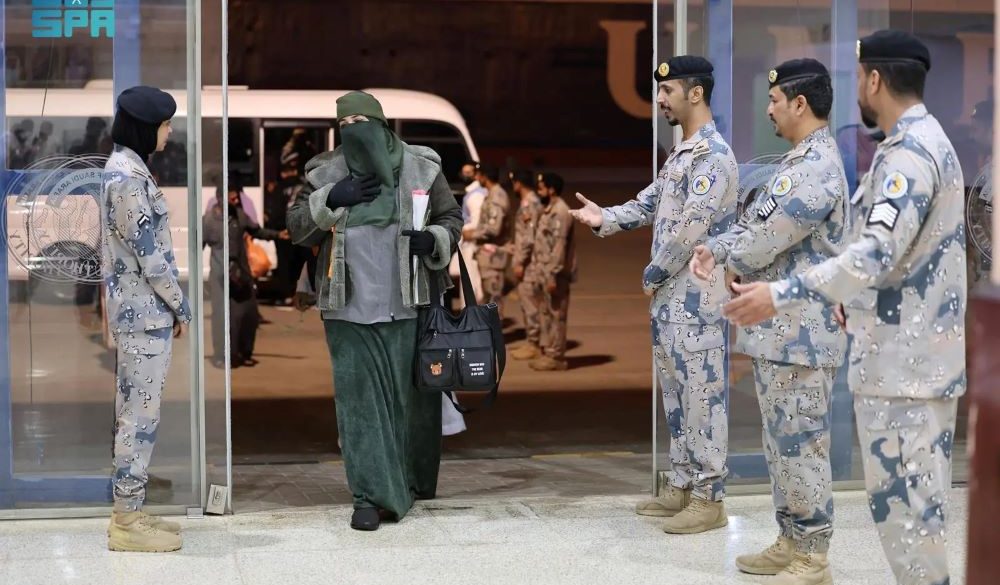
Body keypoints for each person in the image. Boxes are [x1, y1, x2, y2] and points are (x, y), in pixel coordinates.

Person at [723, 31, 966, 585]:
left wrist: (779, 294)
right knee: (907, 524)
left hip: (905, 369)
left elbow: (874, 253)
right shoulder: (916, 145)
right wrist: (851, 300)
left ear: (874, 79)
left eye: (858, 76)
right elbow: (898, 256)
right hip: (905, 362)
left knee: (910, 526)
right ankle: (794, 539)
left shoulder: (909, 155)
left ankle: (809, 549)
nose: (855, 87)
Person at [691, 59, 847, 584]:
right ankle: (791, 537)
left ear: (800, 103)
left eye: (775, 101)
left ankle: (813, 553)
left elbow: (762, 240)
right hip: (780, 334)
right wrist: (719, 248)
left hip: (802, 335)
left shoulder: (815, 169)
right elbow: (757, 223)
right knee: (782, 445)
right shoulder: (797, 163)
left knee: (802, 444)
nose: (769, 110)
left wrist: (720, 251)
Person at [570, 56, 738, 534]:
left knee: (703, 398)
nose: (660, 99)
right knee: (677, 396)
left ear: (696, 93)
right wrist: (606, 217)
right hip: (671, 302)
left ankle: (709, 497)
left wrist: (654, 271)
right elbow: (651, 201)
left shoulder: (711, 156)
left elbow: (690, 229)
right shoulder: (682, 153)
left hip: (697, 301)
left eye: (668, 90)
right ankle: (682, 484)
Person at [287, 91, 462, 531]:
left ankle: (408, 482)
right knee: (359, 407)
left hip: (410, 304)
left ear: (382, 124)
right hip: (346, 307)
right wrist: (331, 198)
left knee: (408, 405)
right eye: (345, 125)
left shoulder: (422, 166)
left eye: (362, 121)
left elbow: (452, 218)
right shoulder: (324, 171)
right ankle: (368, 497)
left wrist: (435, 239)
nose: (354, 131)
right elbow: (296, 229)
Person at [102, 86, 191, 552]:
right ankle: (126, 521)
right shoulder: (127, 178)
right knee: (139, 419)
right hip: (144, 316)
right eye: (165, 124)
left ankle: (131, 511)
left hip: (142, 314)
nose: (169, 132)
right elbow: (151, 259)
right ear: (145, 127)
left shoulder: (129, 170)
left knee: (137, 415)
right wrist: (181, 305)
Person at [204, 180, 288, 368]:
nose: (236, 200)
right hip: (220, 276)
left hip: (241, 273)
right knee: (221, 317)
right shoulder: (208, 221)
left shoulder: (240, 216)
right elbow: (196, 247)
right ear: (220, 198)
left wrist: (278, 235)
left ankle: (245, 352)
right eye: (232, 197)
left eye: (236, 197)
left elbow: (257, 231)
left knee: (248, 313)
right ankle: (222, 355)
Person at [526, 172, 576, 372]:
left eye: (541, 188)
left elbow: (558, 248)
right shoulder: (548, 210)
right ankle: (549, 351)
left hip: (555, 275)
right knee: (547, 314)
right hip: (544, 272)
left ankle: (556, 356)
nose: (538, 192)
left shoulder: (560, 212)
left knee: (556, 316)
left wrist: (553, 275)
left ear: (551, 189)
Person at [464, 163, 511, 313]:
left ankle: (495, 328)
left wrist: (472, 234)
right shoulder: (491, 194)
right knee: (488, 298)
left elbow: (494, 228)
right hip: (488, 256)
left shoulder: (496, 196)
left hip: (494, 257)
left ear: (485, 176)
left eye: (479, 175)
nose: (477, 178)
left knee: (493, 300)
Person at [508, 169, 544, 360]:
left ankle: (534, 344)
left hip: (530, 264)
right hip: (527, 260)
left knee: (530, 303)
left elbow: (529, 238)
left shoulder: (530, 203)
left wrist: (520, 261)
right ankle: (531, 341)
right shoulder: (529, 202)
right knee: (525, 302)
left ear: (519, 183)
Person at [450, 161, 486, 307]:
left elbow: (476, 224)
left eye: (468, 173)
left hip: (472, 244)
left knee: (471, 283)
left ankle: (470, 314)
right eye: (463, 173)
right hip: (467, 243)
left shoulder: (476, 195)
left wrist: (465, 232)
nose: (465, 176)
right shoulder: (472, 193)